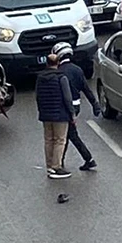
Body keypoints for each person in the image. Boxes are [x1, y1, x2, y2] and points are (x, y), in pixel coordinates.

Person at [51, 42, 98, 172]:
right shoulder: (77, 69)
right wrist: (94, 104)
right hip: (76, 106)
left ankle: (86, 159)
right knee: (68, 135)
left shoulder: (59, 72)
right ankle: (63, 162)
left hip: (65, 108)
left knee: (68, 135)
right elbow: (86, 89)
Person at [35, 47, 76, 181]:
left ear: (46, 63)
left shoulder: (40, 78)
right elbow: (67, 98)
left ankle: (49, 166)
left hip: (46, 114)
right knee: (60, 140)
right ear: (58, 63)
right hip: (60, 114)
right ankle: (56, 167)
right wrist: (72, 114)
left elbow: (38, 96)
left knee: (48, 140)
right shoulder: (61, 78)